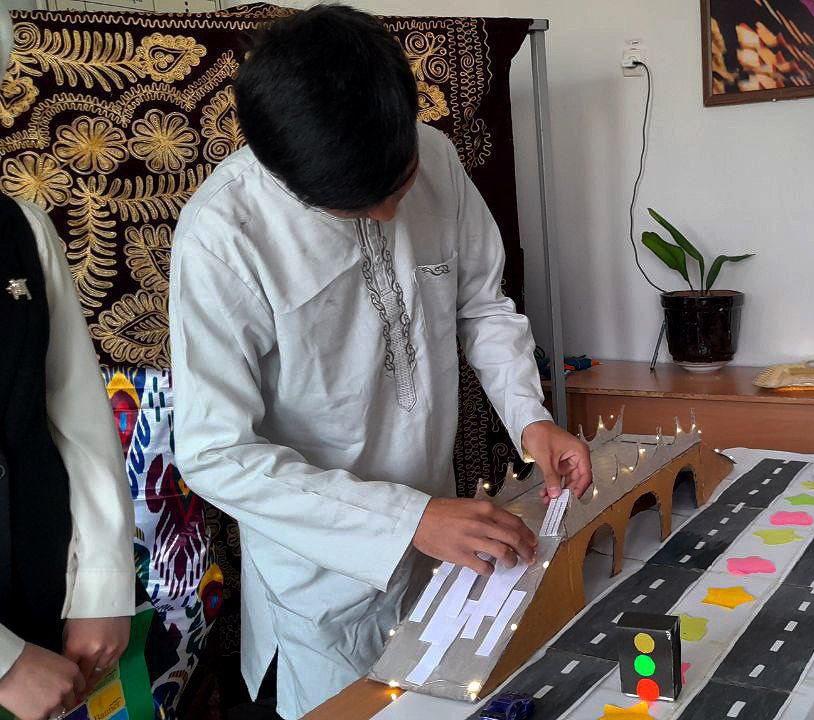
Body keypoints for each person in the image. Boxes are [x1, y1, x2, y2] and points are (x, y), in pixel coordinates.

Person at [168, 6, 593, 718]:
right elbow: (216, 454)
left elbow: (481, 305)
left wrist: (531, 419)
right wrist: (405, 521)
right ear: (292, 181)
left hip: (447, 537)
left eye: (400, 186)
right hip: (323, 580)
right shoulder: (223, 237)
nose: (393, 218)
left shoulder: (437, 158)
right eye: (361, 209)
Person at [0, 13, 137, 720]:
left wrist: (102, 588)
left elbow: (77, 415)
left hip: (40, 596)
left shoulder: (21, 229)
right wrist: (3, 663)